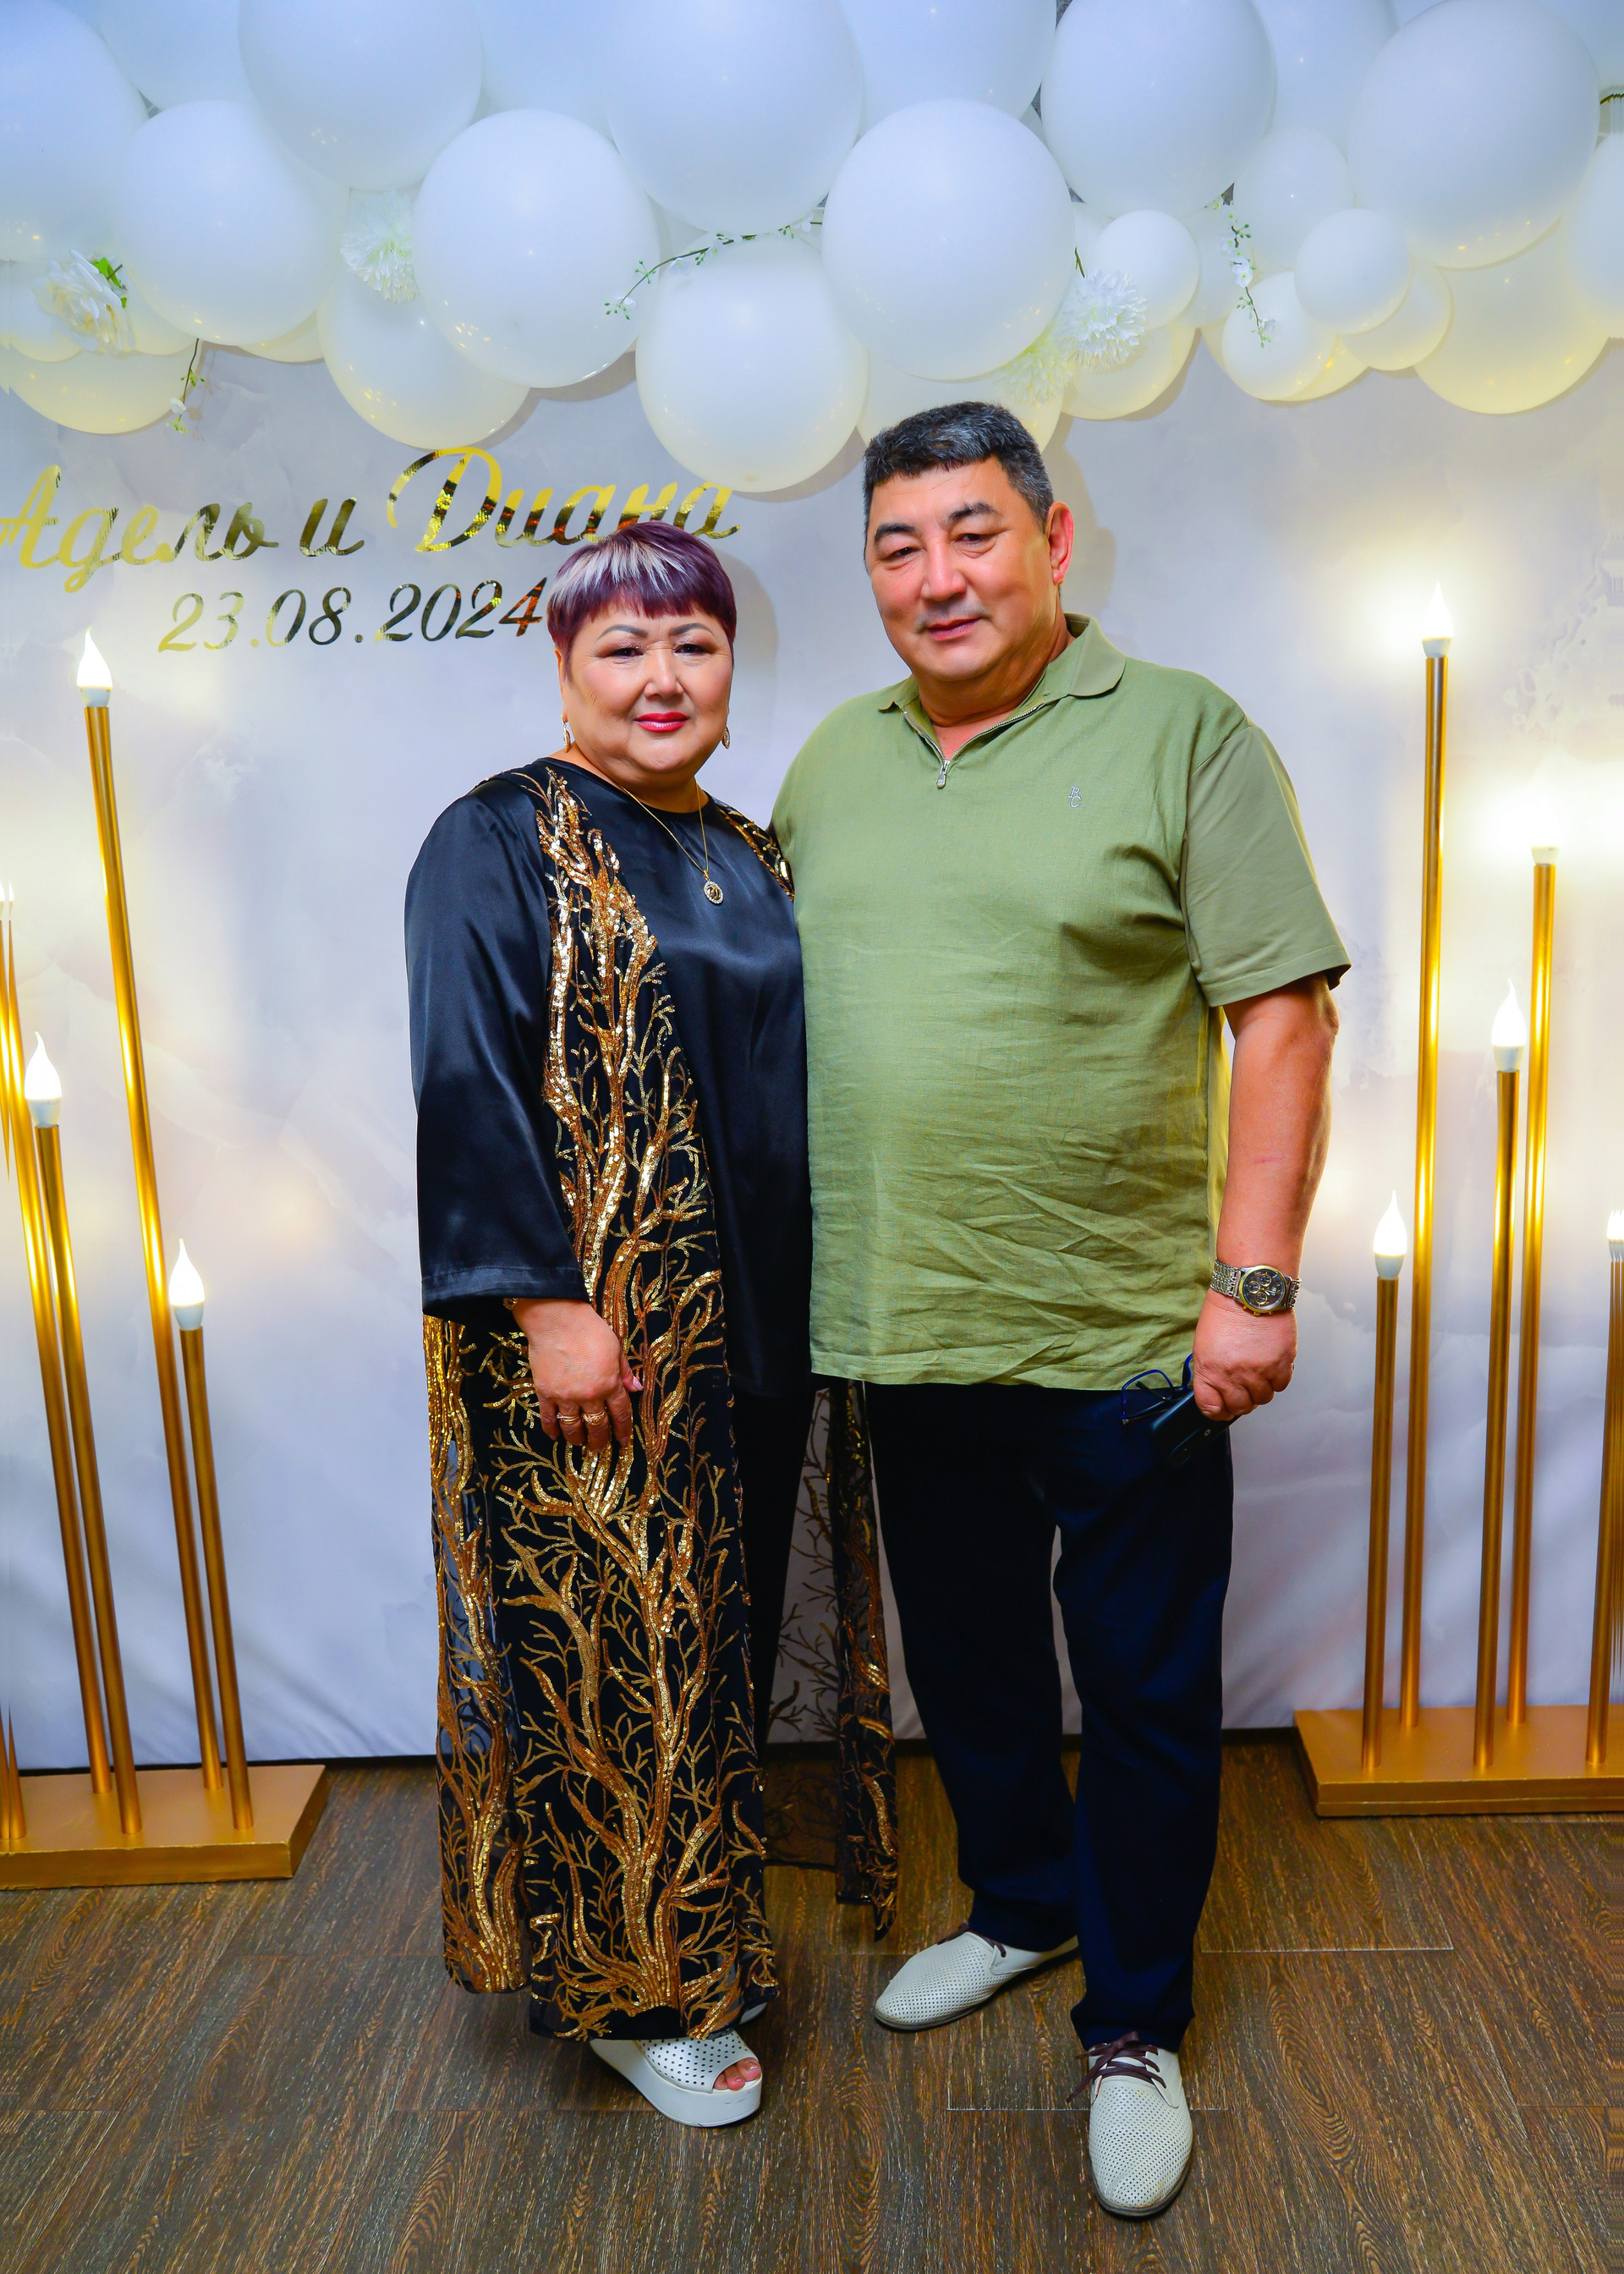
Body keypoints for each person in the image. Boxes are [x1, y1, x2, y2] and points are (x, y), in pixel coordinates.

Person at [773, 403, 1346, 2218]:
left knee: (1150, 1696)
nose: (936, 577)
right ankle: (1021, 1906)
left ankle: (1136, 2025)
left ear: (1053, 541)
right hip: (901, 1324)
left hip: (1127, 1341)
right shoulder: (833, 761)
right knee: (972, 1666)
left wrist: (1252, 1286)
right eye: (898, 545)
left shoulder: (1184, 731)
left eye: (973, 532)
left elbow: (1284, 1019)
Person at [406, 519, 893, 2131]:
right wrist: (550, 1306)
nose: (663, 676)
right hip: (596, 1339)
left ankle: (702, 1937)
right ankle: (638, 1996)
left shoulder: (750, 848)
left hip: (756, 1322)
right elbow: (466, 1079)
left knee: (715, 1646)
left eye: (695, 642)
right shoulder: (498, 837)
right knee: (615, 1661)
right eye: (622, 647)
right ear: (564, 672)